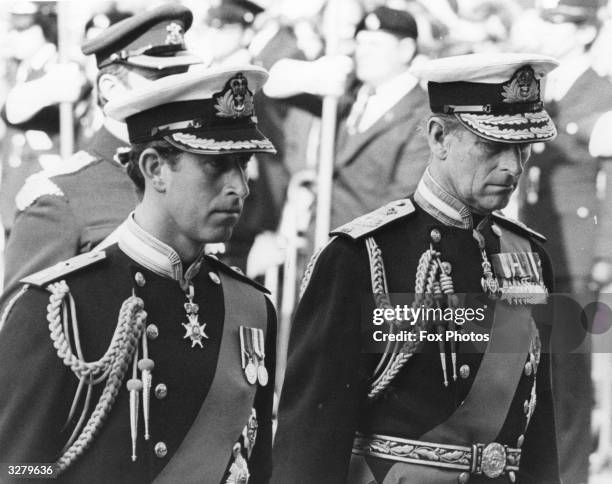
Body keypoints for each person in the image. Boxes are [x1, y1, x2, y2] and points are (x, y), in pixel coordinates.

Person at [271, 53, 561, 484]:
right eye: (494, 146)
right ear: (439, 136)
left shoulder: (528, 256)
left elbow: (536, 432)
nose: (513, 167)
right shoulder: (362, 256)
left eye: (522, 147)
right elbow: (312, 438)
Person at [0, 65, 277, 484]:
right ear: (154, 168)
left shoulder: (252, 308)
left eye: (243, 163)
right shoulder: (59, 306)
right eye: (216, 166)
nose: (239, 187)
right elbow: (15, 468)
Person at [1, 4, 202, 298]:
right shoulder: (59, 199)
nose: (175, 94)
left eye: (179, 78)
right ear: (111, 88)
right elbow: (22, 330)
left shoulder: (190, 178)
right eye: (159, 81)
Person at [514, 2, 612, 482]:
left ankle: (570, 474)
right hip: (535, 241)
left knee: (569, 374)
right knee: (538, 365)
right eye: (547, 23)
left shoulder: (599, 89)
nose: (549, 33)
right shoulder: (540, 86)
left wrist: (606, 255)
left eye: (560, 24)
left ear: (582, 31)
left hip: (575, 249)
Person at [264, 6, 430, 229]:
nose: (362, 51)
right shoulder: (347, 96)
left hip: (370, 250)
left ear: (406, 50)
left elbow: (404, 203)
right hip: (322, 240)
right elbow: (272, 87)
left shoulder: (422, 114)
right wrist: (314, 73)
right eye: (360, 43)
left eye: (374, 44)